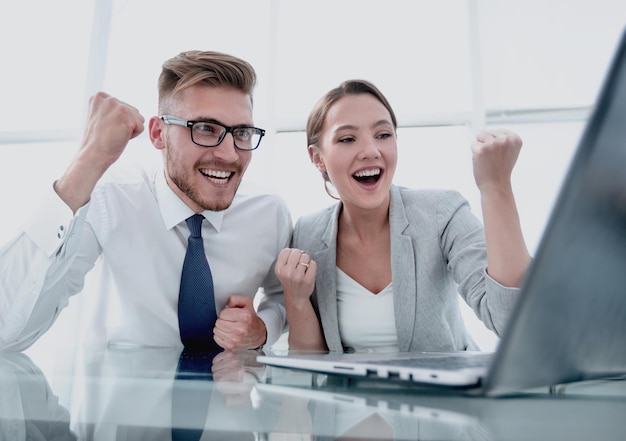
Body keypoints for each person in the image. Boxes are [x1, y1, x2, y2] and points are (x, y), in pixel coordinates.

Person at [0, 50, 291, 352]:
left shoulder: (269, 213)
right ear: (157, 133)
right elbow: (6, 331)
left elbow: (284, 298)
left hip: (230, 396)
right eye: (205, 129)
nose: (230, 154)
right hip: (120, 392)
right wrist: (87, 162)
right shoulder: (108, 202)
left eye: (242, 132)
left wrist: (263, 329)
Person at [274, 79, 531, 353]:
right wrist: (297, 299)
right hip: (349, 395)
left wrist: (495, 185)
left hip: (441, 395)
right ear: (317, 158)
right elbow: (312, 359)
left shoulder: (442, 213)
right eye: (347, 139)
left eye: (383, 135)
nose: (371, 151)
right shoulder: (307, 233)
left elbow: (513, 322)